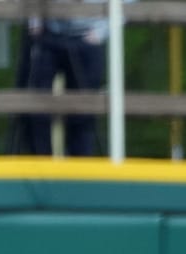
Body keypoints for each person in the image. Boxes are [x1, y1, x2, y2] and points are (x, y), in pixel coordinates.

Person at [12, 0, 125, 156]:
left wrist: (102, 31)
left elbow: (128, 4)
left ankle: (81, 171)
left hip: (88, 36)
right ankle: (40, 168)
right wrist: (34, 18)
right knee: (35, 108)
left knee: (83, 113)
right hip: (47, 33)